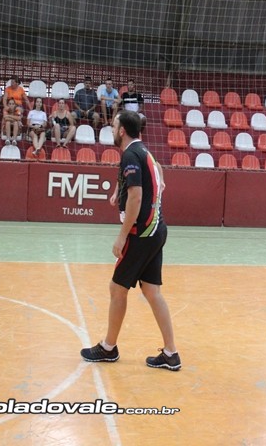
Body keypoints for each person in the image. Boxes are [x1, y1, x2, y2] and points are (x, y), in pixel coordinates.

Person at [81, 111, 180, 371]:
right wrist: (119, 189)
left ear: (122, 130)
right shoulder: (143, 151)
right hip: (157, 230)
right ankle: (171, 353)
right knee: (152, 291)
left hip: (142, 233)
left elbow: (136, 197)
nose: (112, 128)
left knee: (117, 289)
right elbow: (155, 170)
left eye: (114, 125)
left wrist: (122, 236)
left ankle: (108, 347)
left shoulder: (130, 155)